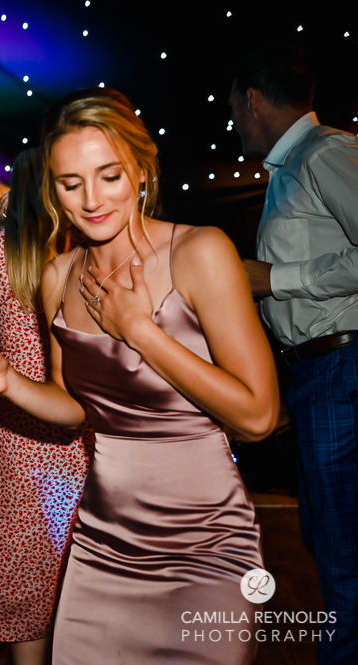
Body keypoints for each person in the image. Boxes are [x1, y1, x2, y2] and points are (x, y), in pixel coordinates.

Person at [0, 89, 279, 664]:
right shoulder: (57, 275)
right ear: (51, 188)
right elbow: (75, 407)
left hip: (204, 539)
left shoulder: (198, 250)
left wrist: (141, 331)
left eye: (109, 176)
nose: (92, 200)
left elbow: (258, 415)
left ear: (141, 171)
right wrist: (7, 382)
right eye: (71, 184)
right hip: (104, 541)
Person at [229, 44, 357, 664]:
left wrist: (273, 279)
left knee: (341, 547)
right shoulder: (292, 167)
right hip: (319, 371)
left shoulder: (324, 152)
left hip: (342, 366)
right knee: (328, 536)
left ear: (252, 100)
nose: (233, 121)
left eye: (234, 106)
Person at [0, 148, 90, 665]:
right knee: (75, 556)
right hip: (85, 416)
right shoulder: (82, 245)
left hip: (17, 422)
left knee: (22, 567)